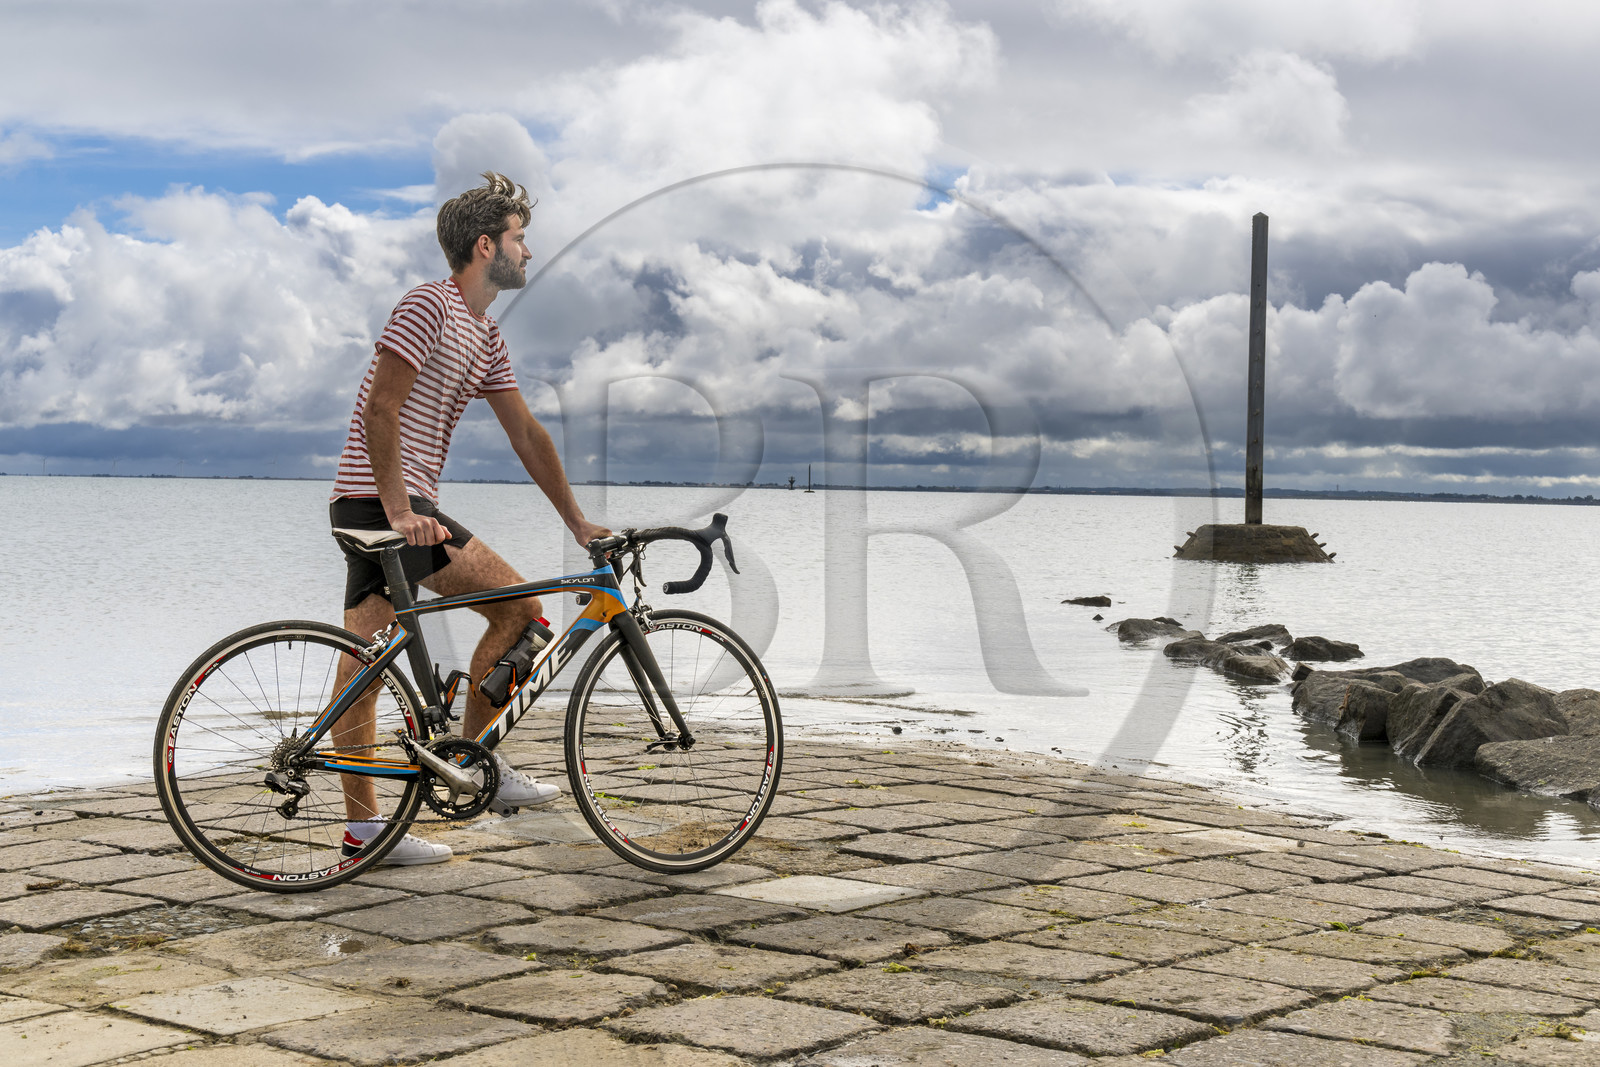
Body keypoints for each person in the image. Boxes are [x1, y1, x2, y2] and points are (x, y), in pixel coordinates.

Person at [328, 171, 610, 865]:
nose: (530, 253)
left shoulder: (483, 335)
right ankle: (481, 757)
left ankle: (366, 833)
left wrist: (578, 522)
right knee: (522, 610)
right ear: (487, 246)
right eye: (521, 239)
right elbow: (380, 408)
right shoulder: (427, 306)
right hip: (385, 504)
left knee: (365, 664)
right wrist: (399, 508)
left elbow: (526, 435)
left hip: (379, 504)